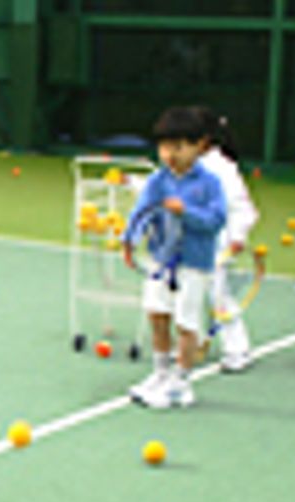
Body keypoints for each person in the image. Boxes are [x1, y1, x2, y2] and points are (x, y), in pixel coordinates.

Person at [122, 107, 227, 409]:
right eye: (165, 147)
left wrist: (186, 212)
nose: (170, 154)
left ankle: (181, 383)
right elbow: (142, 212)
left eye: (179, 147)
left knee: (186, 323)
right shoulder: (157, 181)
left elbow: (215, 221)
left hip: (194, 264)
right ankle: (160, 374)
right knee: (157, 316)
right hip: (160, 260)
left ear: (199, 147)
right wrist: (130, 240)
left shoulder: (210, 183)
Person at [193, 106, 260, 372]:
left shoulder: (223, 168)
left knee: (218, 296)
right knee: (188, 292)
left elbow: (243, 207)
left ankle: (238, 350)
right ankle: (193, 342)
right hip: (194, 241)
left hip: (218, 243)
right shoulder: (189, 163)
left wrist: (237, 236)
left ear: (205, 139)